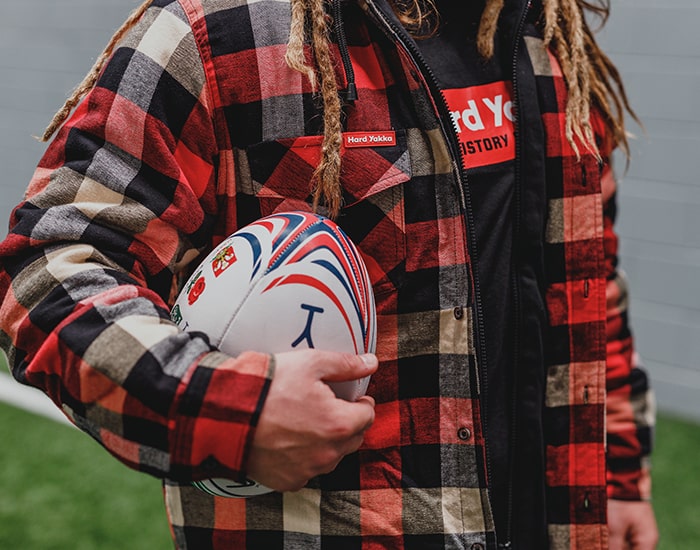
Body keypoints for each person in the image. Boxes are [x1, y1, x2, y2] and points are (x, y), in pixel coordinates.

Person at [0, 0, 658, 548]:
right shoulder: (222, 35)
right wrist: (233, 412)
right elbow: (46, 273)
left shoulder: (551, 39)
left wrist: (621, 477)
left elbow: (588, 278)